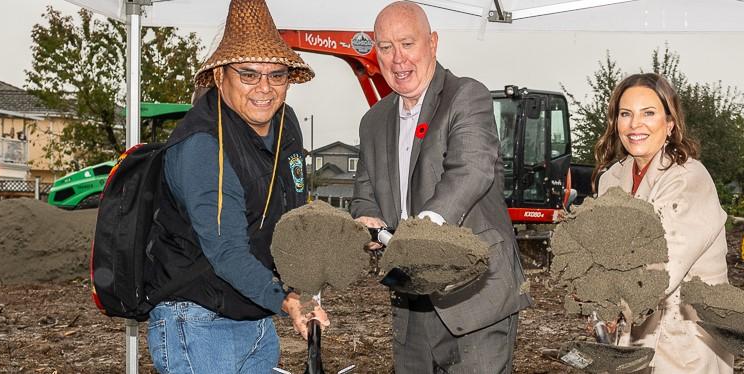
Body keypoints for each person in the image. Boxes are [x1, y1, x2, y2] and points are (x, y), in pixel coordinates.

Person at [143, 0, 325, 372]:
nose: (265, 88)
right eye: (249, 74)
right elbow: (227, 251)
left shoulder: (286, 124)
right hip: (198, 322)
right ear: (220, 75)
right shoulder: (202, 144)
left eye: (277, 75)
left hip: (253, 312)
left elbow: (295, 216)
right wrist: (290, 301)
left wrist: (306, 288)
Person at [348, 2, 531, 372]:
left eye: (407, 43)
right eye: (385, 47)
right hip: (411, 300)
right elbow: (364, 191)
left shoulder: (466, 96)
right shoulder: (373, 121)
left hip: (475, 296)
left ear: (432, 43)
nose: (397, 59)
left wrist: (421, 231)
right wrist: (364, 217)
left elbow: (471, 169)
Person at [592, 73, 733, 372]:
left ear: (669, 124)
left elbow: (661, 266)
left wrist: (608, 305)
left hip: (685, 340)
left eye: (649, 113)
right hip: (634, 335)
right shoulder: (611, 180)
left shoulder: (688, 179)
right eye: (625, 114)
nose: (635, 124)